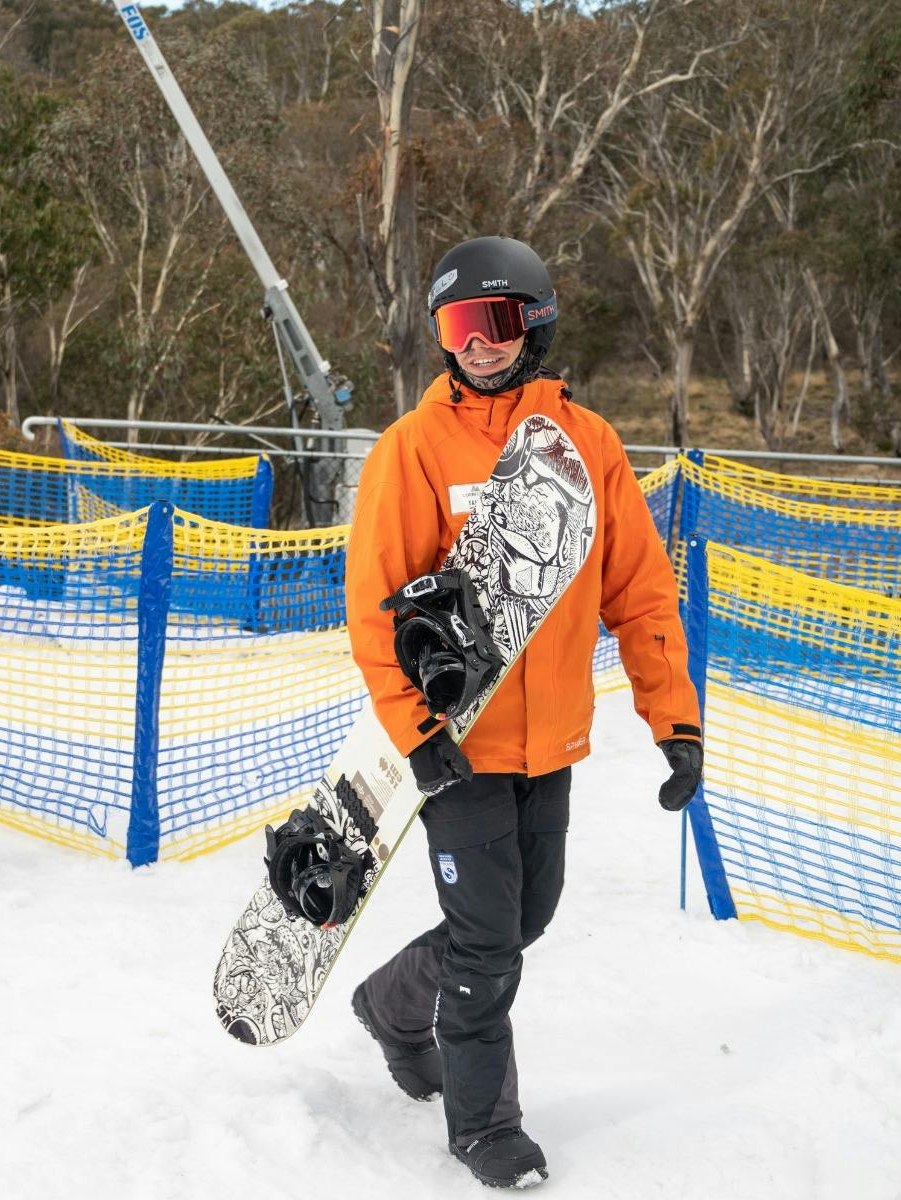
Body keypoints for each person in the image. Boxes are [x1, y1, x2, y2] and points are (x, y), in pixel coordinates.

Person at [343, 236, 704, 1188]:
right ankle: (484, 1125)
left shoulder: (589, 447)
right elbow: (376, 610)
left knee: (523, 919)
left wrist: (676, 722)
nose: (478, 344)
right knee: (491, 941)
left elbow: (641, 593)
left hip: (553, 742)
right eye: (460, 326)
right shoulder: (412, 449)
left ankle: (390, 1001)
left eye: (498, 323)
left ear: (534, 324)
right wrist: (416, 735)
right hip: (457, 749)